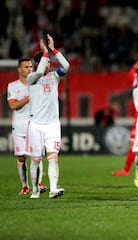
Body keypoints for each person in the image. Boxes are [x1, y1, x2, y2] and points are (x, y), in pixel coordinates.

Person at [26, 34, 70, 199]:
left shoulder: (54, 77)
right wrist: (44, 52)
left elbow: (66, 66)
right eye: (46, 62)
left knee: (53, 157)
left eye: (50, 63)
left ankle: (53, 189)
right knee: (36, 160)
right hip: (36, 125)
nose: (49, 65)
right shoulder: (32, 79)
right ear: (37, 64)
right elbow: (38, 73)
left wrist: (53, 50)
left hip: (52, 125)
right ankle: (35, 190)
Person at [7, 58, 47, 195]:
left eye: (31, 66)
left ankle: (39, 183)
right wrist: (26, 99)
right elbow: (12, 105)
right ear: (19, 69)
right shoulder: (12, 86)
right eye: (26, 67)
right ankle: (25, 186)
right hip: (19, 126)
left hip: (35, 125)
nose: (29, 69)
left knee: (37, 156)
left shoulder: (37, 84)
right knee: (21, 158)